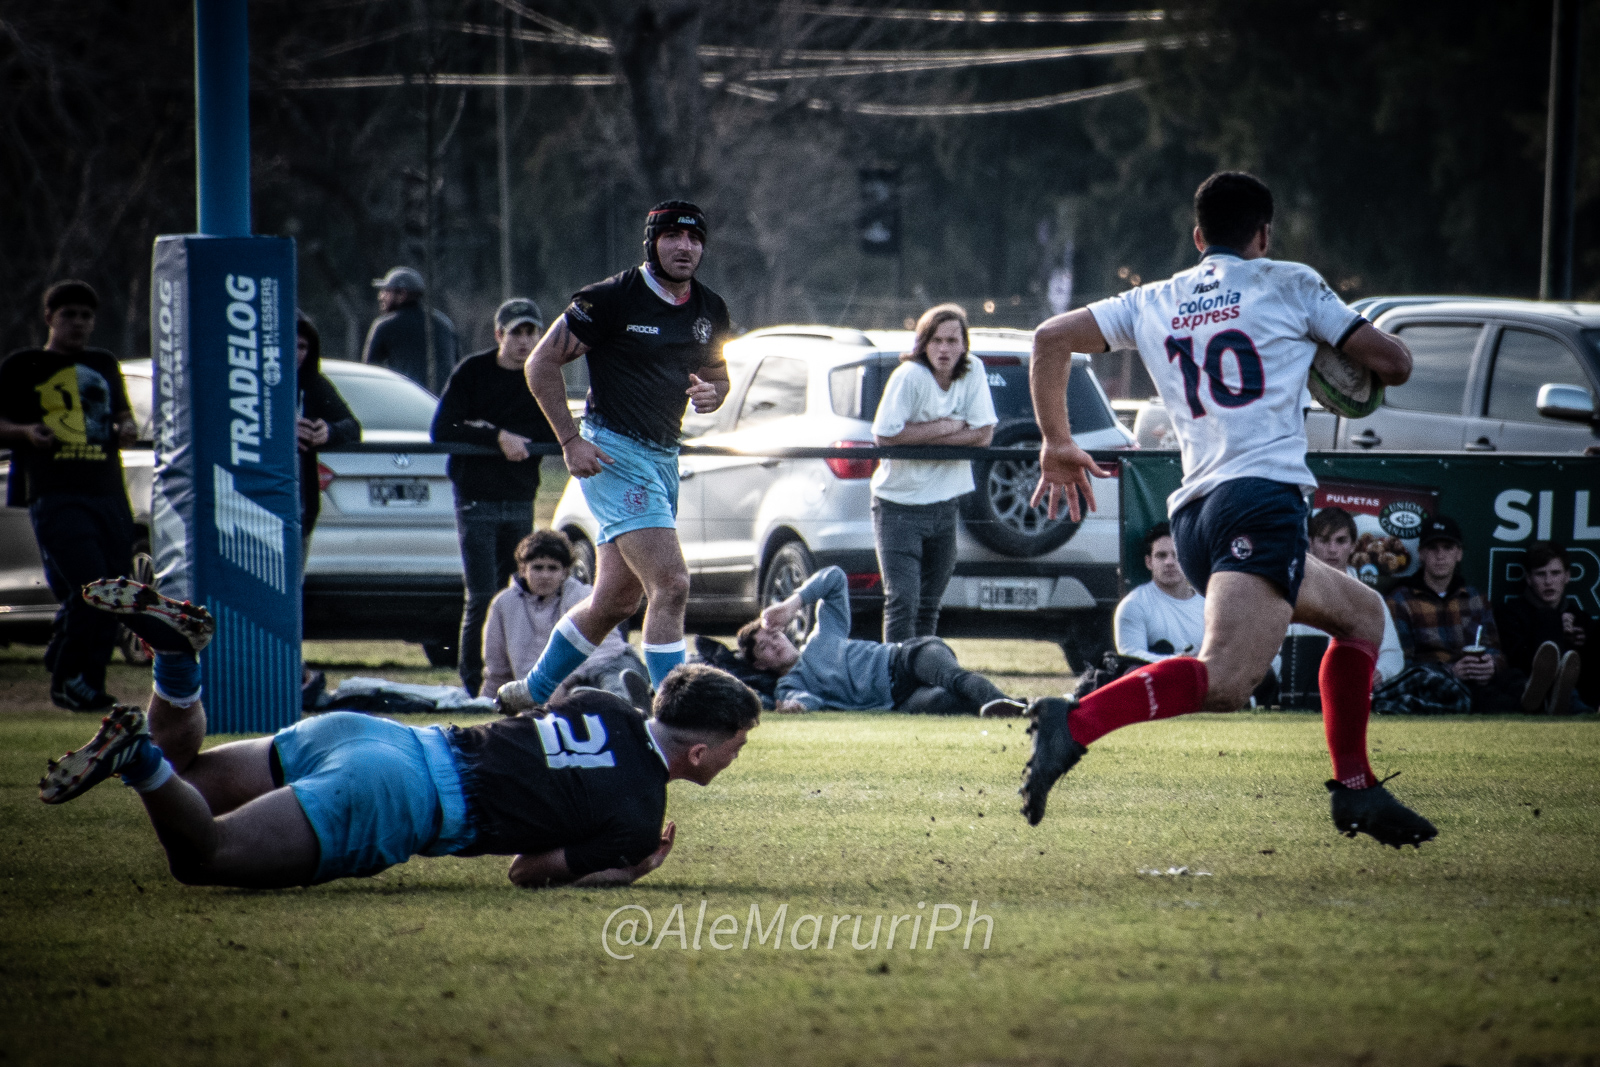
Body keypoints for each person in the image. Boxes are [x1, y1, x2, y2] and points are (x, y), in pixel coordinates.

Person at [1018, 171, 1436, 848]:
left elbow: (1048, 339)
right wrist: (1335, 352)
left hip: (1196, 516)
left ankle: (1356, 789)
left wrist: (1056, 441)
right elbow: (1395, 363)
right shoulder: (1288, 281)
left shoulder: (1154, 298)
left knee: (1362, 614)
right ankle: (1076, 723)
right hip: (1259, 501)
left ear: (1197, 237)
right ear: (1264, 235)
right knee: (1227, 679)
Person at [40, 577, 758, 890]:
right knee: (203, 856)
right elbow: (526, 872)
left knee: (186, 780)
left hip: (383, 736)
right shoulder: (640, 817)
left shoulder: (602, 701)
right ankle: (132, 754)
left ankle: (175, 664)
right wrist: (629, 867)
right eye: (738, 743)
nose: (737, 755)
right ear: (699, 750)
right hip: (398, 796)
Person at [501, 201, 732, 711]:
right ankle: (677, 714)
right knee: (670, 583)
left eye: (694, 239)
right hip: (613, 453)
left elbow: (718, 376)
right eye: (672, 236)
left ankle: (532, 691)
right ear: (651, 243)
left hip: (663, 457)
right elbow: (541, 363)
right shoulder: (610, 299)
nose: (685, 247)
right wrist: (569, 441)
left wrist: (713, 393)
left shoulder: (709, 309)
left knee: (614, 602)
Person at [0, 280, 137, 711]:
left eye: (85, 316)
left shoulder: (103, 363)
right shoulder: (24, 366)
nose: (78, 323)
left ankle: (86, 680)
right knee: (89, 587)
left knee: (114, 590)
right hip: (55, 493)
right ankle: (68, 678)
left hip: (107, 492)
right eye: (68, 315)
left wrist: (127, 427)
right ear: (49, 318)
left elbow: (122, 415)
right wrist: (25, 432)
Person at [431, 298, 559, 694]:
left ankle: (514, 679)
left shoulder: (542, 375)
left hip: (520, 498)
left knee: (517, 593)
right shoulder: (473, 371)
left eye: (531, 333)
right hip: (476, 499)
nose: (524, 341)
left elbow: (556, 430)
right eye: (516, 333)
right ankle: (473, 686)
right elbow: (443, 427)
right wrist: (495, 436)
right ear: (499, 334)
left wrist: (525, 440)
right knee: (482, 595)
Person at [739, 564, 1023, 716]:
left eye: (774, 635)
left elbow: (835, 578)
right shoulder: (790, 685)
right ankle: (1022, 707)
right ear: (760, 665)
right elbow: (806, 700)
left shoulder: (822, 635)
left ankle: (1009, 705)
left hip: (904, 658)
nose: (775, 643)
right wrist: (797, 707)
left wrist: (792, 605)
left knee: (953, 678)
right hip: (900, 700)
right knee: (951, 701)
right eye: (764, 646)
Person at [869, 304, 997, 642]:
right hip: (898, 506)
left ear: (964, 344)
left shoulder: (974, 370)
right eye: (937, 340)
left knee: (929, 605)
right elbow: (885, 435)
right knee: (902, 602)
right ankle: (894, 681)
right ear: (923, 343)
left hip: (945, 504)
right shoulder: (909, 375)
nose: (944, 349)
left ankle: (921, 677)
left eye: (953, 340)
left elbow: (984, 434)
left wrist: (925, 433)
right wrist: (947, 426)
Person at [1380, 515, 1553, 714]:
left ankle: (1547, 698)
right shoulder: (1400, 600)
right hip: (1436, 684)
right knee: (1494, 701)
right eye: (1433, 548)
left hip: (1480, 679)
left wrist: (1491, 666)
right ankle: (1538, 705)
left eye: (1448, 548)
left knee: (1513, 679)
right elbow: (1400, 664)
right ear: (1421, 554)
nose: (1440, 555)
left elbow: (1496, 650)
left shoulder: (1476, 598)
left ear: (1459, 554)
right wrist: (1451, 671)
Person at [482, 530, 651, 708]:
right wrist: (489, 703)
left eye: (553, 568)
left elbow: (607, 650)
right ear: (523, 569)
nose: (545, 575)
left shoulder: (584, 595)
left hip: (596, 670)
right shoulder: (503, 604)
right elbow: (497, 669)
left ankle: (624, 705)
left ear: (565, 572)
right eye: (538, 568)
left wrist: (564, 680)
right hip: (539, 690)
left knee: (616, 673)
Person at [1282, 507, 1405, 688]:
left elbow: (1393, 654)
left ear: (1353, 545)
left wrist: (1379, 672)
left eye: (1341, 541)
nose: (1332, 549)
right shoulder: (1292, 594)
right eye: (1324, 540)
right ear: (1310, 542)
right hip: (1298, 695)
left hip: (1353, 690)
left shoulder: (1370, 599)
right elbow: (1269, 652)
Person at [1493, 541, 1593, 714]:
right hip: (1528, 688)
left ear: (1567, 576)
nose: (1548, 581)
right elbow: (1515, 660)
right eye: (1541, 574)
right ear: (1529, 578)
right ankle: (1570, 703)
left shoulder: (1580, 618)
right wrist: (1553, 627)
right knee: (1548, 618)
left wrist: (1578, 642)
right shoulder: (1509, 613)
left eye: (1555, 573)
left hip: (1578, 688)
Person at [295, 313, 361, 569]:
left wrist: (328, 431)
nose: (297, 354)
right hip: (256, 507)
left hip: (301, 507)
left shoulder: (312, 383)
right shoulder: (248, 383)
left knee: (294, 585)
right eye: (290, 345)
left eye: (302, 347)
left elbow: (352, 426)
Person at [1115, 522, 1206, 664]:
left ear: (1189, 559)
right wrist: (1177, 662)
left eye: (1176, 555)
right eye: (1161, 555)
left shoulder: (1209, 605)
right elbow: (1129, 658)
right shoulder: (1133, 605)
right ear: (1149, 562)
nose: (1169, 562)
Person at [361, 266, 459, 395]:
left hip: (406, 402)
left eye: (386, 291)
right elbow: (457, 366)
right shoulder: (445, 323)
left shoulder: (385, 326)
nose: (381, 296)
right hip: (441, 403)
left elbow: (368, 373)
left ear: (402, 294)